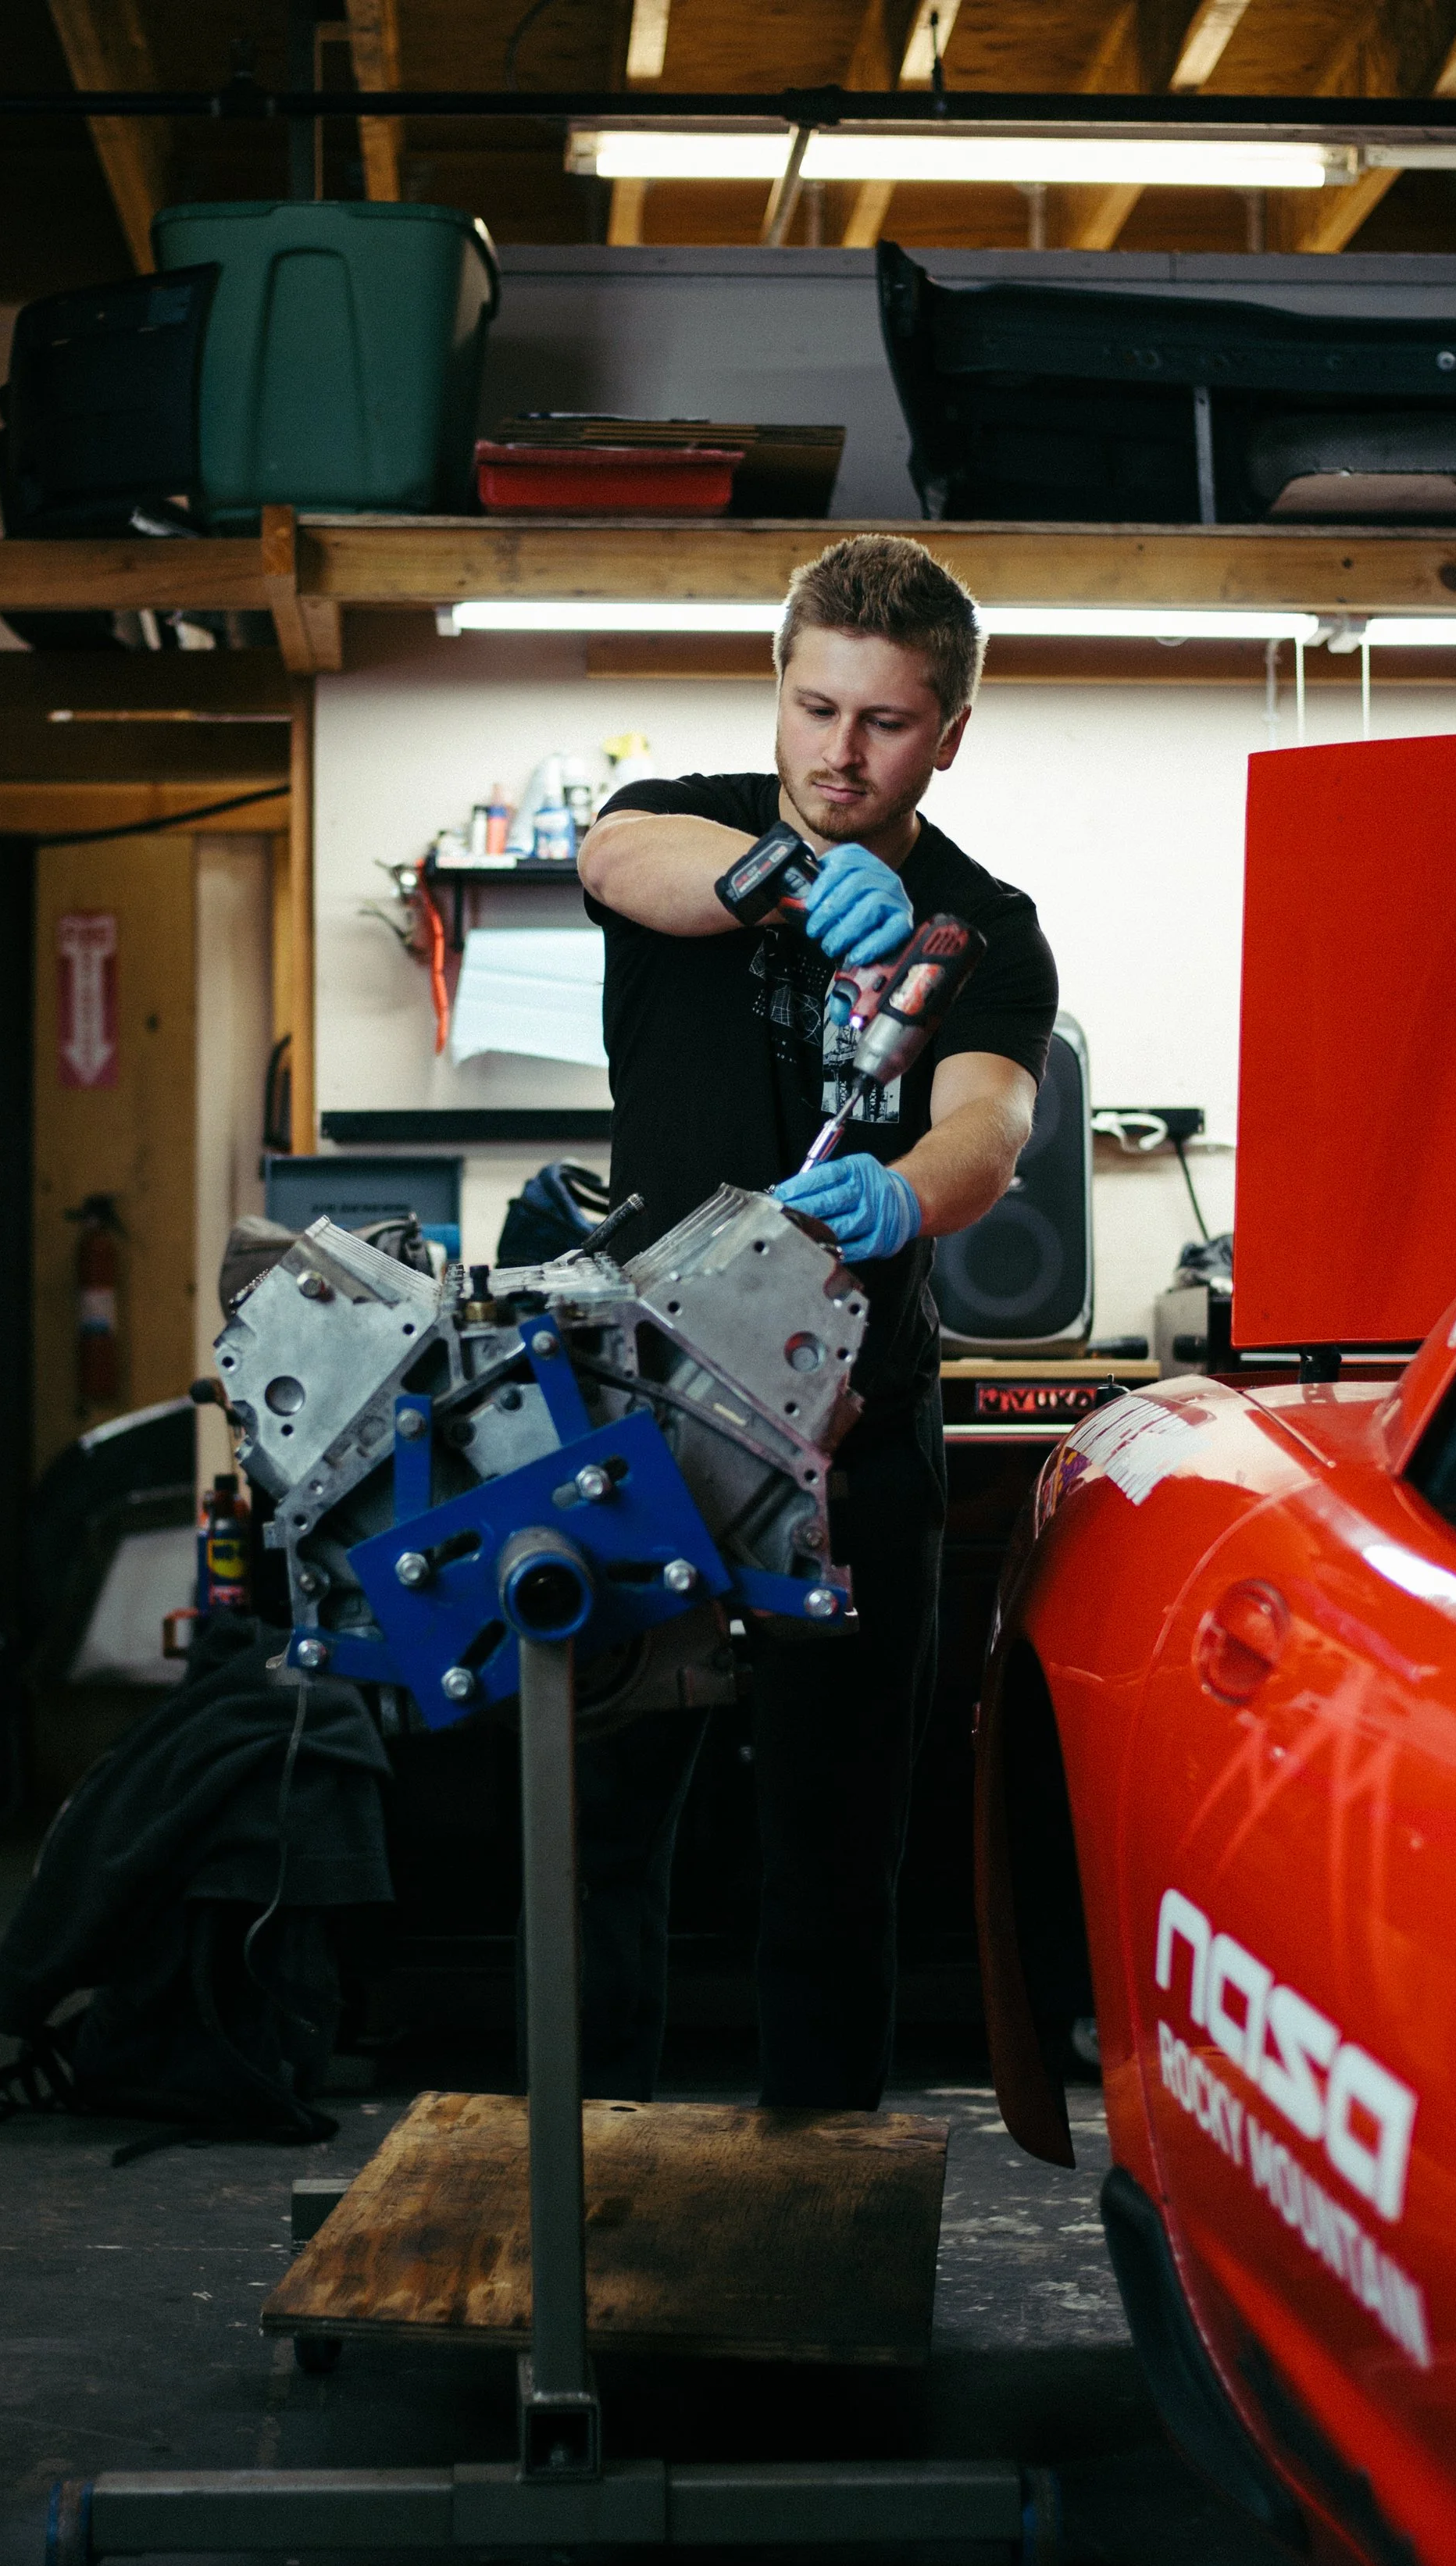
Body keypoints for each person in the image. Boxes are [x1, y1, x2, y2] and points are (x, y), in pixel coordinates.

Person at [574, 532, 1058, 2110]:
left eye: (884, 722)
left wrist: (906, 1194)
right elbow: (611, 860)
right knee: (599, 1825)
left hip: (855, 1431)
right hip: (638, 1416)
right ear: (777, 695)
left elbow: (987, 1122)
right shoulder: (694, 828)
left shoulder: (984, 922)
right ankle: (584, 2196)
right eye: (812, 708)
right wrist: (768, 879)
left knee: (836, 1838)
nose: (836, 753)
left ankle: (822, 2191)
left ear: (950, 732)